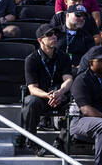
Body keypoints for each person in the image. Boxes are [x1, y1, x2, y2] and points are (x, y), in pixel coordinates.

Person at [17, 24, 75, 154]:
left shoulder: (63, 56)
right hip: (41, 98)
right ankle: (31, 142)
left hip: (60, 97)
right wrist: (49, 95)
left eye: (55, 34)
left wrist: (59, 92)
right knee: (31, 101)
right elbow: (32, 88)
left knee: (77, 106)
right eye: (49, 35)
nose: (54, 37)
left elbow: (68, 79)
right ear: (40, 40)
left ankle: (60, 141)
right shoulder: (31, 59)